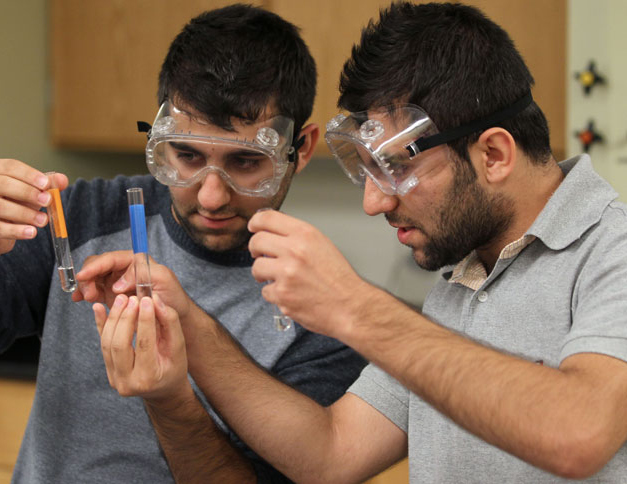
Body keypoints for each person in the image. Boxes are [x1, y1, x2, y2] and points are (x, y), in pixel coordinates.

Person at [87, 2, 627, 483]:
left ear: (493, 155)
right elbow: (331, 453)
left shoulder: (613, 250)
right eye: (368, 172)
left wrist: (353, 307)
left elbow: (579, 434)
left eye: (395, 167)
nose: (374, 203)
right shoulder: (461, 280)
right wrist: (190, 325)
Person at [0, 4, 367, 483]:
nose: (212, 196)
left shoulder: (324, 313)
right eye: (187, 155)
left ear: (301, 150)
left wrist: (170, 403)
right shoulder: (85, 217)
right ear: (160, 140)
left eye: (245, 162)